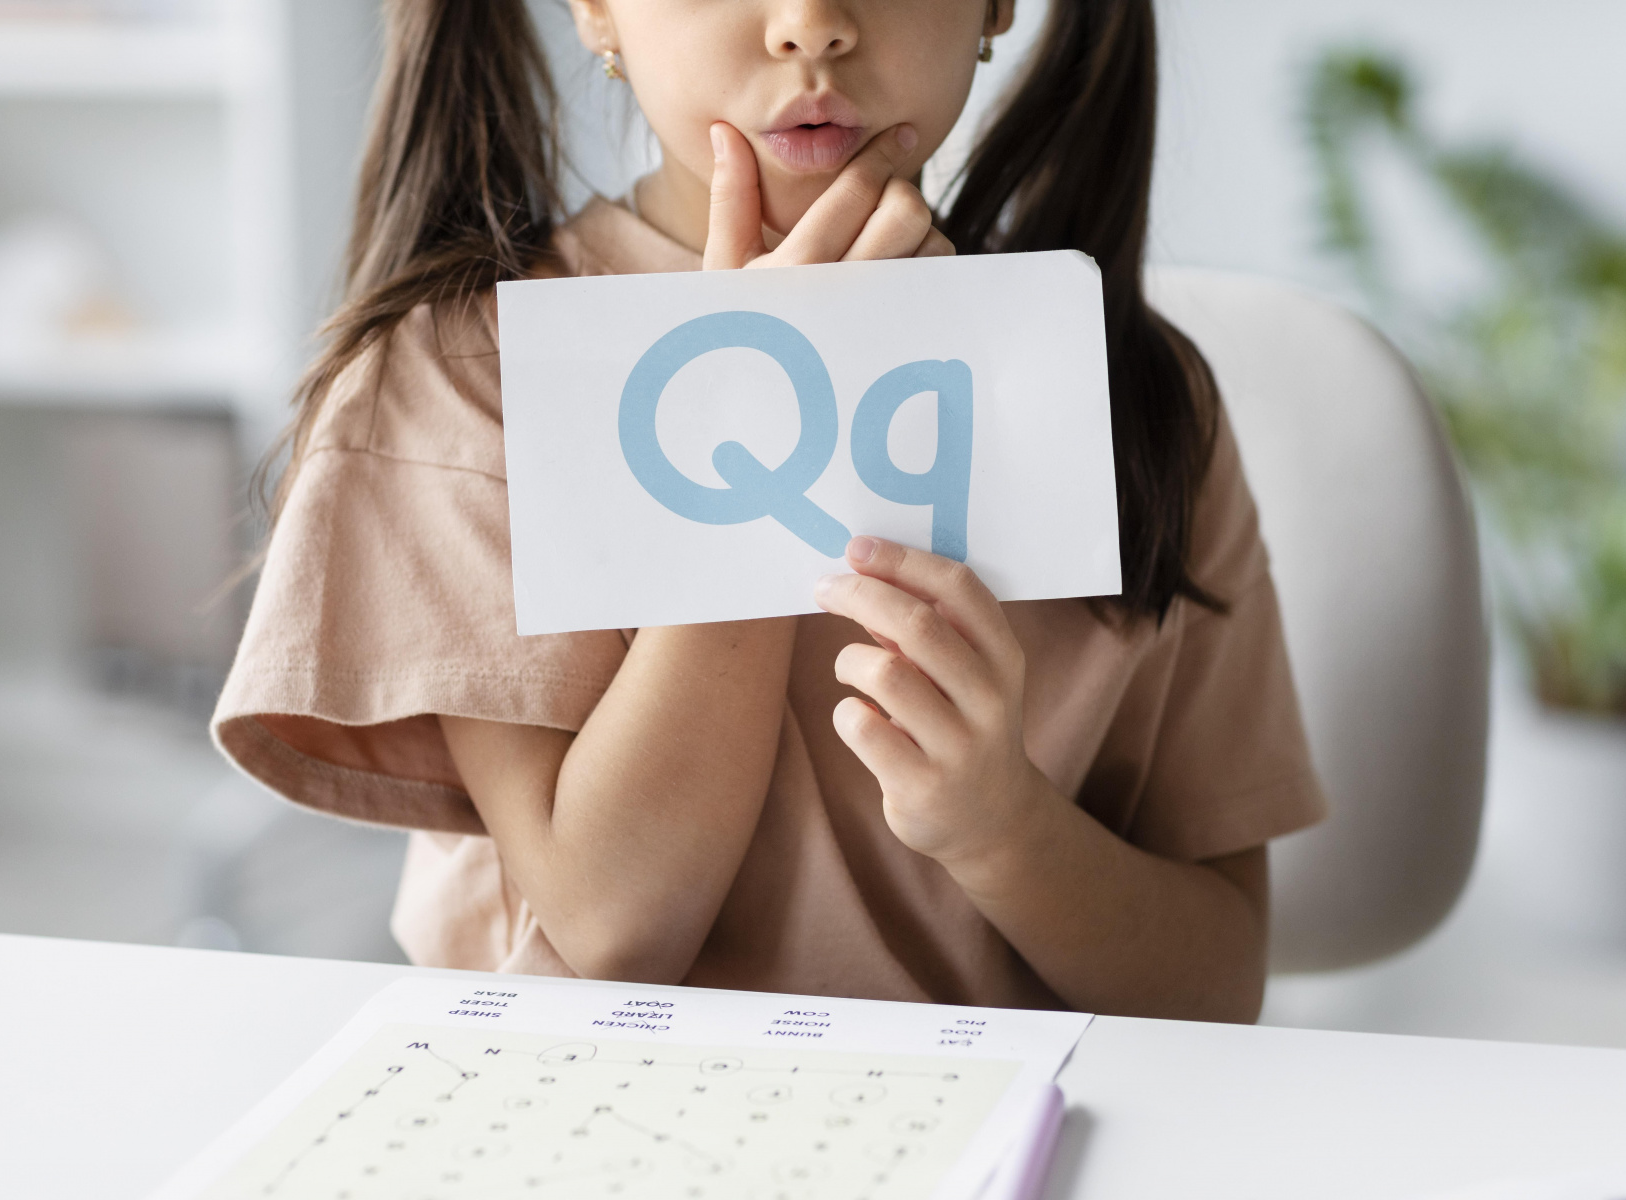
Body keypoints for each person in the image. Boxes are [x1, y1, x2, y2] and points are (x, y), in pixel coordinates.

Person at [213, 0, 1326, 1021]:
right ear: (594, 8)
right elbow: (611, 930)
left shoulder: (1132, 394)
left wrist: (1002, 826)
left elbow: (1216, 985)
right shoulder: (470, 370)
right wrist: (760, 396)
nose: (810, 27)